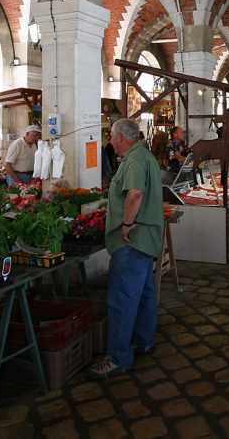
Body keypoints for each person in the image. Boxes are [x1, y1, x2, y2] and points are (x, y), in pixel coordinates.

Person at [87, 118, 164, 380]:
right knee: (142, 292)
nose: (110, 139)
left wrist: (127, 224)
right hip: (146, 239)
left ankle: (118, 357)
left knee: (121, 299)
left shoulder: (134, 160)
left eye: (111, 134)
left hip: (132, 240)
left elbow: (135, 194)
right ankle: (143, 340)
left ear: (121, 137)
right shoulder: (145, 156)